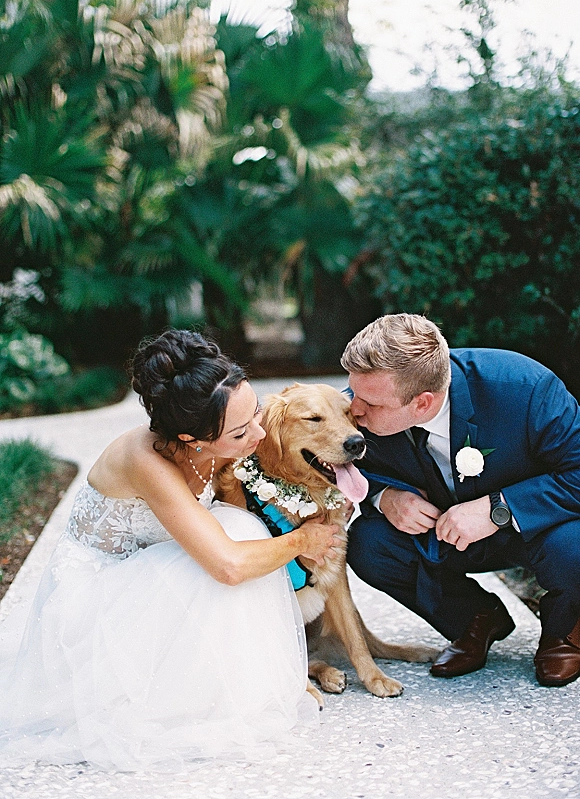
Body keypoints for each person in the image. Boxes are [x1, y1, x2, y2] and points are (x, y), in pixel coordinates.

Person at [0, 329, 339, 771]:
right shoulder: (145, 459)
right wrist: (300, 541)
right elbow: (229, 566)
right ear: (190, 438)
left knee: (242, 526)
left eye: (256, 413)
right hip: (98, 596)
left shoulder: (219, 431)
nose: (258, 433)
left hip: (151, 566)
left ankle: (234, 677)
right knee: (239, 544)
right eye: (241, 432)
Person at [341, 313, 580, 687]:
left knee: (575, 547)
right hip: (442, 534)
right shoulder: (365, 403)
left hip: (537, 533)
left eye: (369, 402)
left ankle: (564, 632)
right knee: (368, 543)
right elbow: (322, 458)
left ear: (422, 403)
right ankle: (476, 619)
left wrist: (499, 508)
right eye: (353, 391)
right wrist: (383, 496)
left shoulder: (526, 389)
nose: (354, 410)